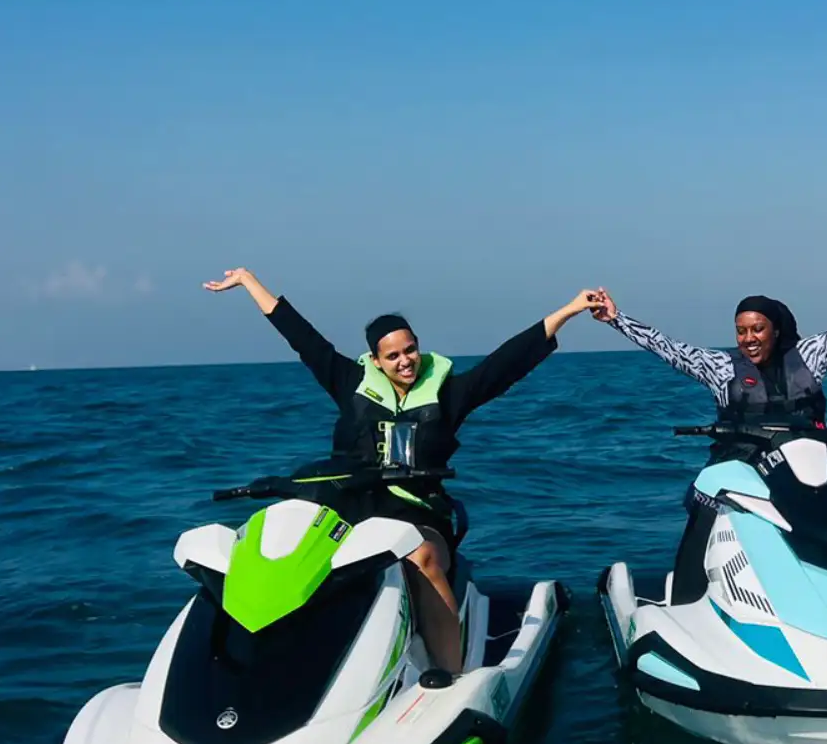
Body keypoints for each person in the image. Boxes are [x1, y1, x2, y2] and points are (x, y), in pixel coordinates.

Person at [204, 267, 596, 676]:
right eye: (392, 356)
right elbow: (302, 337)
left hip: (419, 511)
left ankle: (452, 671)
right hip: (351, 504)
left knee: (421, 556)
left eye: (410, 350)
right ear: (376, 360)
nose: (405, 361)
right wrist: (249, 281)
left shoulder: (448, 394)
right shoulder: (349, 381)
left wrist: (569, 309)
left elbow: (506, 363)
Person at [587, 265, 827, 600]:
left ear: (775, 330)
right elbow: (666, 347)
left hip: (807, 464)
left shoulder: (811, 355)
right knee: (706, 500)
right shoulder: (721, 367)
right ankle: (687, 597)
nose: (748, 339)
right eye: (741, 331)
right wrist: (616, 319)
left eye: (757, 329)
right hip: (740, 465)